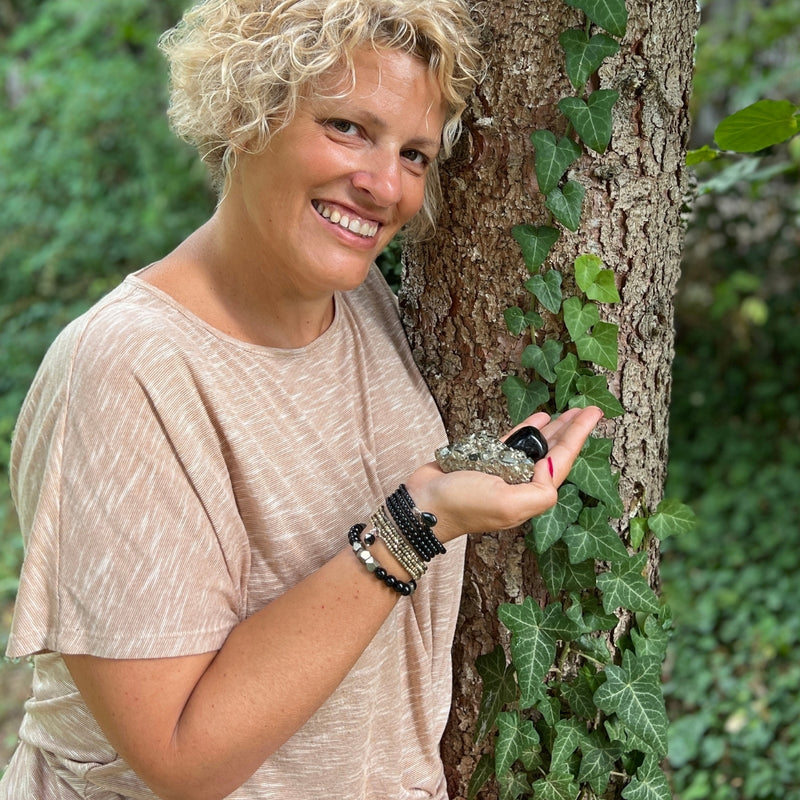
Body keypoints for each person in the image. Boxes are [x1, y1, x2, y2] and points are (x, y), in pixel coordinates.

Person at [0, 1, 603, 798]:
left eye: (415, 154)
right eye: (348, 127)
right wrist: (417, 525)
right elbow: (181, 757)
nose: (387, 184)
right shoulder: (122, 372)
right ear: (248, 109)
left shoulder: (355, 299)